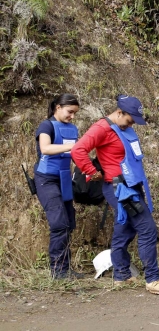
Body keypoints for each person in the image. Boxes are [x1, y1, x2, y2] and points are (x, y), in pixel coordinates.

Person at [71, 95, 159, 295]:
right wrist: (92, 171)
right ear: (119, 112)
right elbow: (78, 150)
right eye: (130, 120)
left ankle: (122, 274)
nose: (131, 124)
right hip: (120, 189)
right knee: (148, 229)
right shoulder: (101, 128)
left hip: (132, 185)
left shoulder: (123, 128)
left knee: (125, 228)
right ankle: (152, 279)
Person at [34, 94, 83, 280]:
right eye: (70, 112)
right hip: (46, 179)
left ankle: (65, 268)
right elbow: (45, 148)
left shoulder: (72, 129)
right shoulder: (46, 125)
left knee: (69, 223)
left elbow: (75, 154)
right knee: (58, 223)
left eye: (75, 113)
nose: (72, 116)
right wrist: (75, 147)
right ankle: (58, 271)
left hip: (64, 179)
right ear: (58, 107)